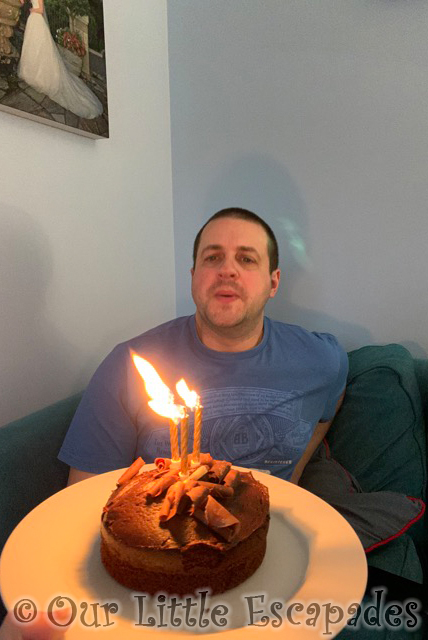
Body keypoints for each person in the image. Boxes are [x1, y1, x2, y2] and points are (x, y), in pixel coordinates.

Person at [59, 208, 348, 486]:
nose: (227, 270)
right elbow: (81, 498)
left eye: (247, 259)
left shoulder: (320, 358)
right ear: (194, 276)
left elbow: (330, 399)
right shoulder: (127, 367)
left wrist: (296, 472)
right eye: (213, 258)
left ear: (273, 282)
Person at [18, 0, 102, 120]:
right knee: (32, 47)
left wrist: (32, 10)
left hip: (37, 20)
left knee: (40, 49)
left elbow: (40, 10)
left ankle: (44, 76)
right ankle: (32, 71)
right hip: (32, 21)